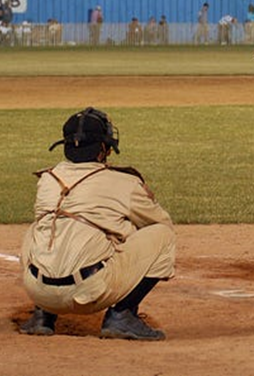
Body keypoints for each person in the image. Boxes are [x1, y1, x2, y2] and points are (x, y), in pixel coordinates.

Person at [19, 107, 176, 340]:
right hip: (90, 293)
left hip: (37, 290)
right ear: (103, 149)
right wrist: (122, 230)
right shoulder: (124, 182)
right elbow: (161, 223)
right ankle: (122, 316)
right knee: (163, 235)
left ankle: (43, 315)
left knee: (39, 228)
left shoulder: (47, 180)